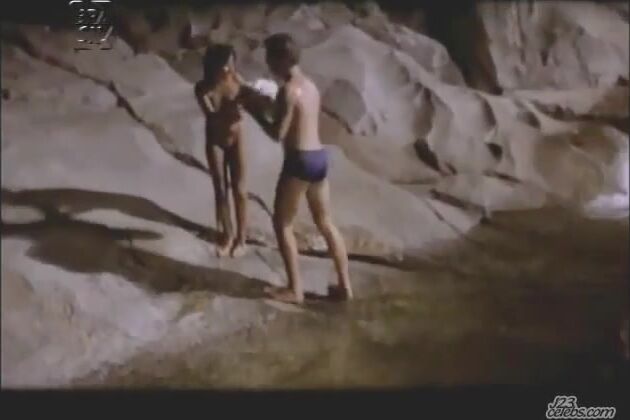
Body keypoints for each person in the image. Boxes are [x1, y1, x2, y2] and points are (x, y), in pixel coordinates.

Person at [243, 33, 353, 304]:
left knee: (282, 223)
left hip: (299, 160)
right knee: (326, 222)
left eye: (270, 58)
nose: (268, 64)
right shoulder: (310, 86)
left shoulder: (288, 90)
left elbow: (277, 133)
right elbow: (297, 118)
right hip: (319, 157)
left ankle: (295, 289)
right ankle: (345, 286)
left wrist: (253, 110)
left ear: (281, 59)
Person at [194, 44, 248, 258]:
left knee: (240, 189)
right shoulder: (203, 88)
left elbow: (251, 101)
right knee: (221, 189)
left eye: (232, 63)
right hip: (215, 139)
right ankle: (228, 234)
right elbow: (212, 116)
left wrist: (246, 100)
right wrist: (227, 102)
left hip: (237, 137)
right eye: (226, 64)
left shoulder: (237, 81)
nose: (229, 68)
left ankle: (242, 238)